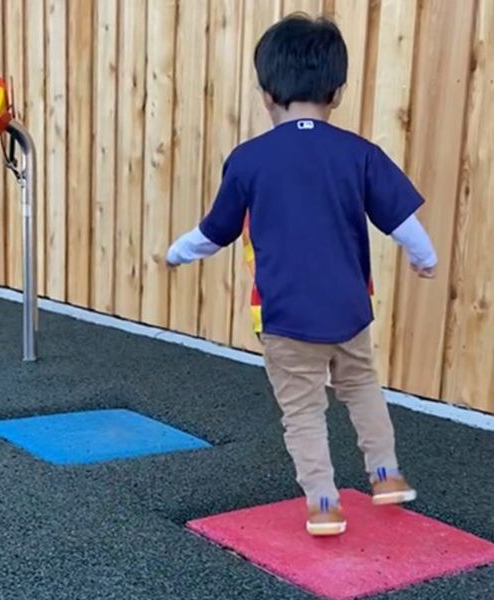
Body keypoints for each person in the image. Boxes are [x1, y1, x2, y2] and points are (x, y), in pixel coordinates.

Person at [166, 13, 437, 536]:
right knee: (361, 387)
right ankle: (386, 475)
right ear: (336, 91)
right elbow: (404, 223)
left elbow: (214, 232)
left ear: (267, 93)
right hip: (350, 311)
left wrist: (179, 252)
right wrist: (424, 260)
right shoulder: (360, 154)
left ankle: (323, 504)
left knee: (304, 411)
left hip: (286, 318)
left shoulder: (248, 160)